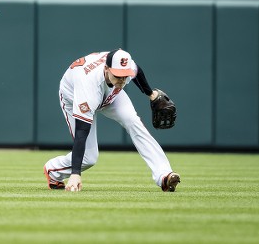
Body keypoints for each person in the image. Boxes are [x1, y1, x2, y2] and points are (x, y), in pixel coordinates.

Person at [43, 49, 181, 192]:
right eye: (118, 76)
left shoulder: (124, 66)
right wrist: (75, 174)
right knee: (89, 158)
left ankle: (164, 175)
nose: (122, 80)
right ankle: (53, 170)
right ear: (106, 69)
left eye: (125, 76)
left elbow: (137, 70)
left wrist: (150, 94)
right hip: (73, 97)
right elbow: (81, 133)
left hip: (110, 94)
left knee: (134, 122)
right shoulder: (87, 86)